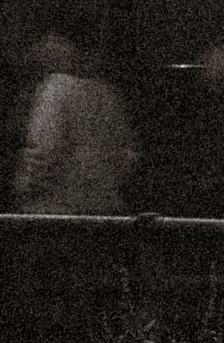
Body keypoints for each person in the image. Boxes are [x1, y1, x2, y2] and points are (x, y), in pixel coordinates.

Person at [10, 21, 137, 215]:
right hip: (105, 209)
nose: (39, 51)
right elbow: (128, 156)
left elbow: (43, 150)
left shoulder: (57, 88)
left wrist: (22, 189)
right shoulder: (108, 93)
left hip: (56, 209)